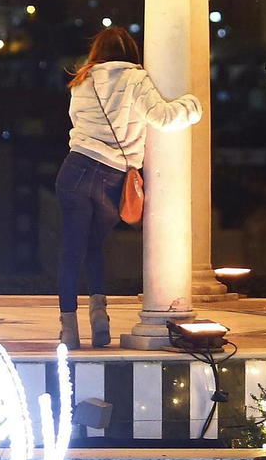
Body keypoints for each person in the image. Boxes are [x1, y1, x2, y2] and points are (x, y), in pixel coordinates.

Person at [58, 25, 200, 349]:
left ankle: (68, 329)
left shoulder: (82, 80)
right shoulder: (136, 79)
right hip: (113, 178)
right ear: (131, 53)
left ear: (97, 52)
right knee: (95, 246)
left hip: (76, 169)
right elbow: (162, 117)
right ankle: (99, 317)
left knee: (72, 251)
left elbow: (76, 121)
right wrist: (194, 105)